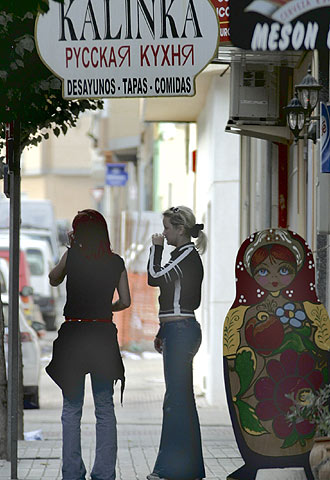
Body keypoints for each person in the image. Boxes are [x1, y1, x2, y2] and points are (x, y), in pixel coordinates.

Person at [46, 209, 130, 480]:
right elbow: (126, 301)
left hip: (74, 336)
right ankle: (104, 473)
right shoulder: (116, 261)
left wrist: (71, 249)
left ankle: (72, 472)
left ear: (77, 232)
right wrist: (108, 307)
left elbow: (53, 278)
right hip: (102, 335)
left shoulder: (71, 257)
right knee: (104, 407)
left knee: (71, 408)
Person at [147, 206, 207, 480]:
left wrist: (155, 249)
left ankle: (169, 470)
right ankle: (187, 469)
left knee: (175, 401)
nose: (163, 233)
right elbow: (171, 297)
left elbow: (154, 278)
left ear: (181, 229)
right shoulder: (184, 256)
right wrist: (162, 331)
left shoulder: (185, 256)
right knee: (181, 400)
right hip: (178, 330)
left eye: (168, 228)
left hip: (181, 331)